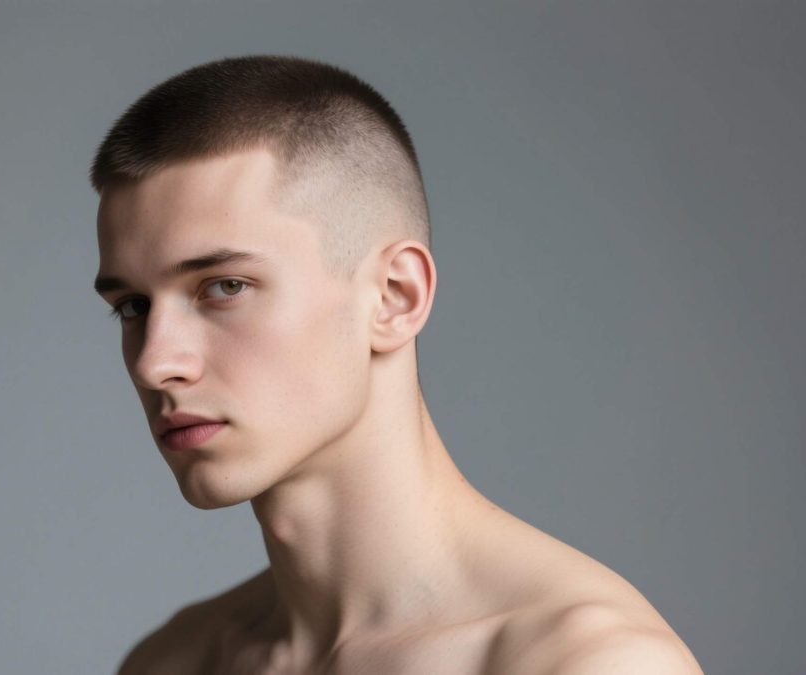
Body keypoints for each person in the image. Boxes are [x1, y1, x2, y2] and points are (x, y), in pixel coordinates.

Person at [91, 54, 703, 674]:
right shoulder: (173, 661)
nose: (154, 362)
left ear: (394, 297)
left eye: (224, 287)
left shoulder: (585, 663)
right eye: (133, 306)